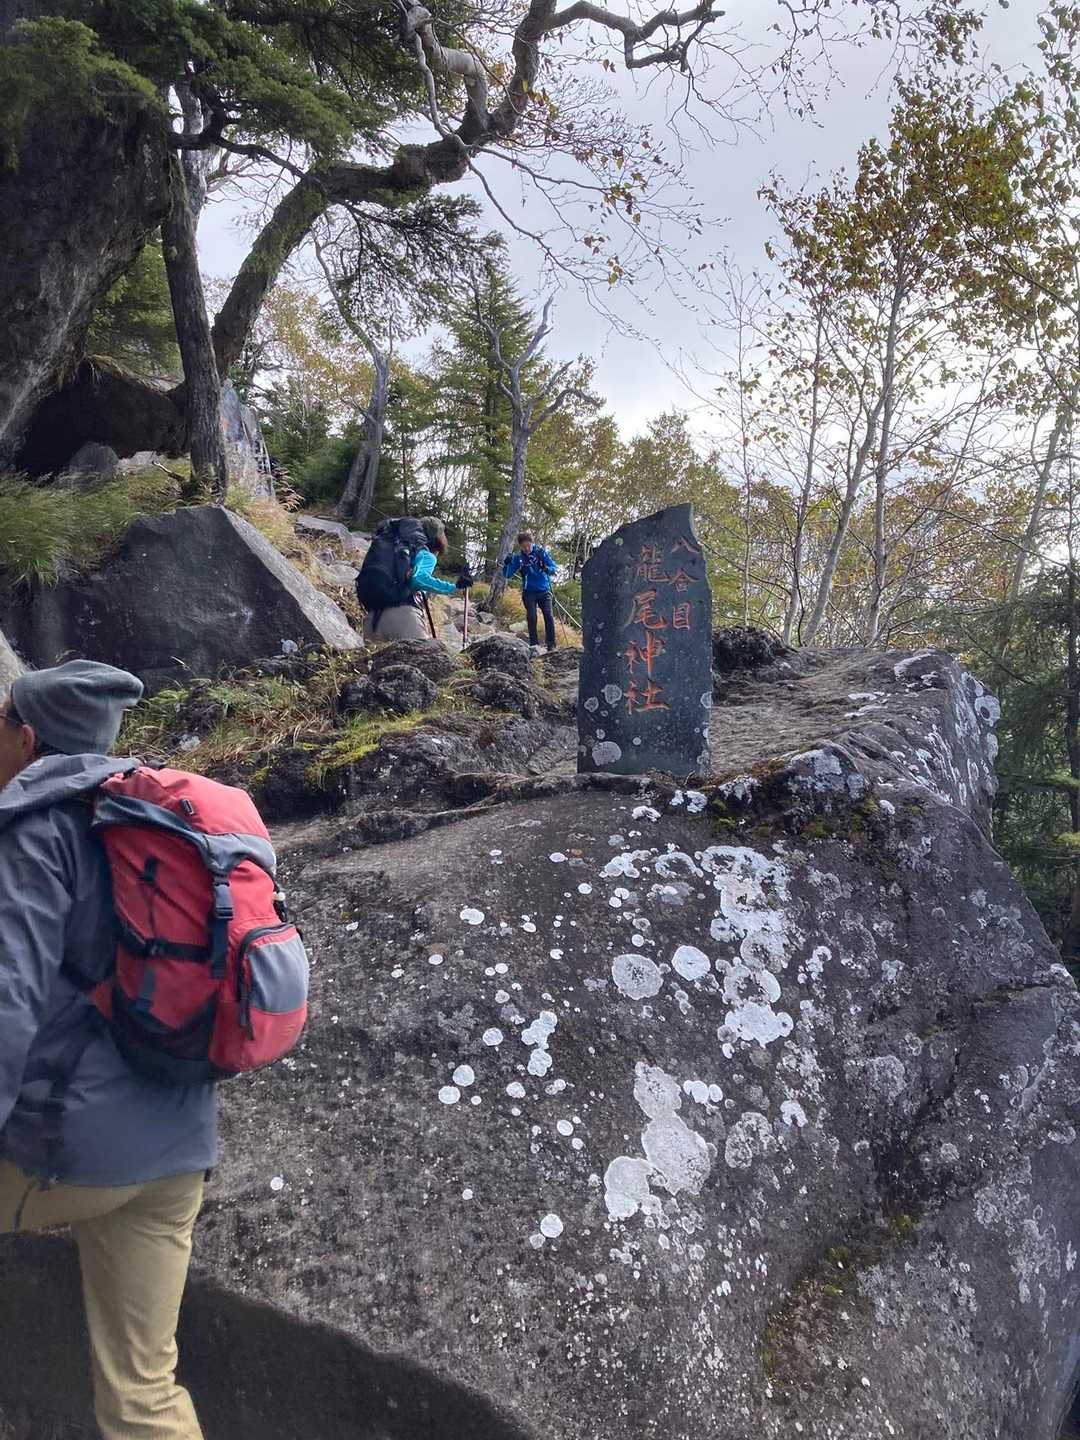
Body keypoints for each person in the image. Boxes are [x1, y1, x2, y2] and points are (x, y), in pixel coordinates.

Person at [0, 660, 214, 1440]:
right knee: (143, 1392)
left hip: (75, 1151)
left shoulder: (34, 831)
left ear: (27, 738)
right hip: (179, 1148)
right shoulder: (164, 823)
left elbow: (7, 1003)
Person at [358, 515, 472, 643]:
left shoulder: (393, 551)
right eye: (443, 534)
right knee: (425, 656)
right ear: (437, 538)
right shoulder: (426, 555)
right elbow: (419, 579)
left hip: (371, 621)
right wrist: (453, 588)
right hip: (404, 618)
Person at [502, 530, 558, 653]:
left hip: (544, 590)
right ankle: (534, 645)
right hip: (529, 592)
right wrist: (506, 563)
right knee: (531, 617)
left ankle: (551, 646)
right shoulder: (518, 558)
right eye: (524, 546)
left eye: (528, 545)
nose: (527, 549)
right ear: (520, 546)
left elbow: (554, 568)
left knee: (548, 616)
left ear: (532, 543)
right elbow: (507, 574)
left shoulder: (540, 553)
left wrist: (547, 568)